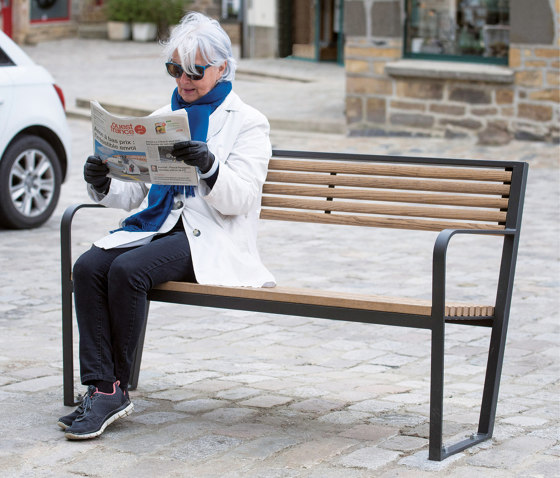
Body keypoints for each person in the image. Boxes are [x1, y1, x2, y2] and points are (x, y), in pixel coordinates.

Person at [58, 11, 275, 440]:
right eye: (175, 68)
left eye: (196, 70)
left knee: (127, 270)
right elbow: (136, 195)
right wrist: (101, 182)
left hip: (207, 237)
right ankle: (104, 386)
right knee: (87, 266)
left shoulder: (248, 122)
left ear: (223, 68)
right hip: (157, 227)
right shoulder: (162, 116)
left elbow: (242, 199)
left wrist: (209, 166)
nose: (185, 79)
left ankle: (110, 390)